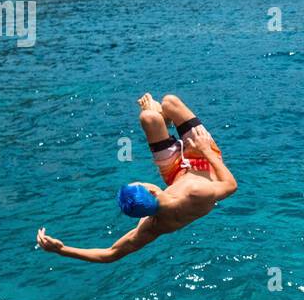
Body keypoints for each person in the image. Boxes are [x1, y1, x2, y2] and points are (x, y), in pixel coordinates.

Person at [37, 93, 236, 263]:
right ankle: (164, 115)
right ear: (151, 190)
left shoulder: (152, 226)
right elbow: (230, 185)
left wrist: (61, 249)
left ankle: (160, 118)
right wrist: (205, 150)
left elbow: (110, 254)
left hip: (175, 173)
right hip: (204, 162)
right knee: (170, 101)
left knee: (149, 118)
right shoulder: (196, 193)